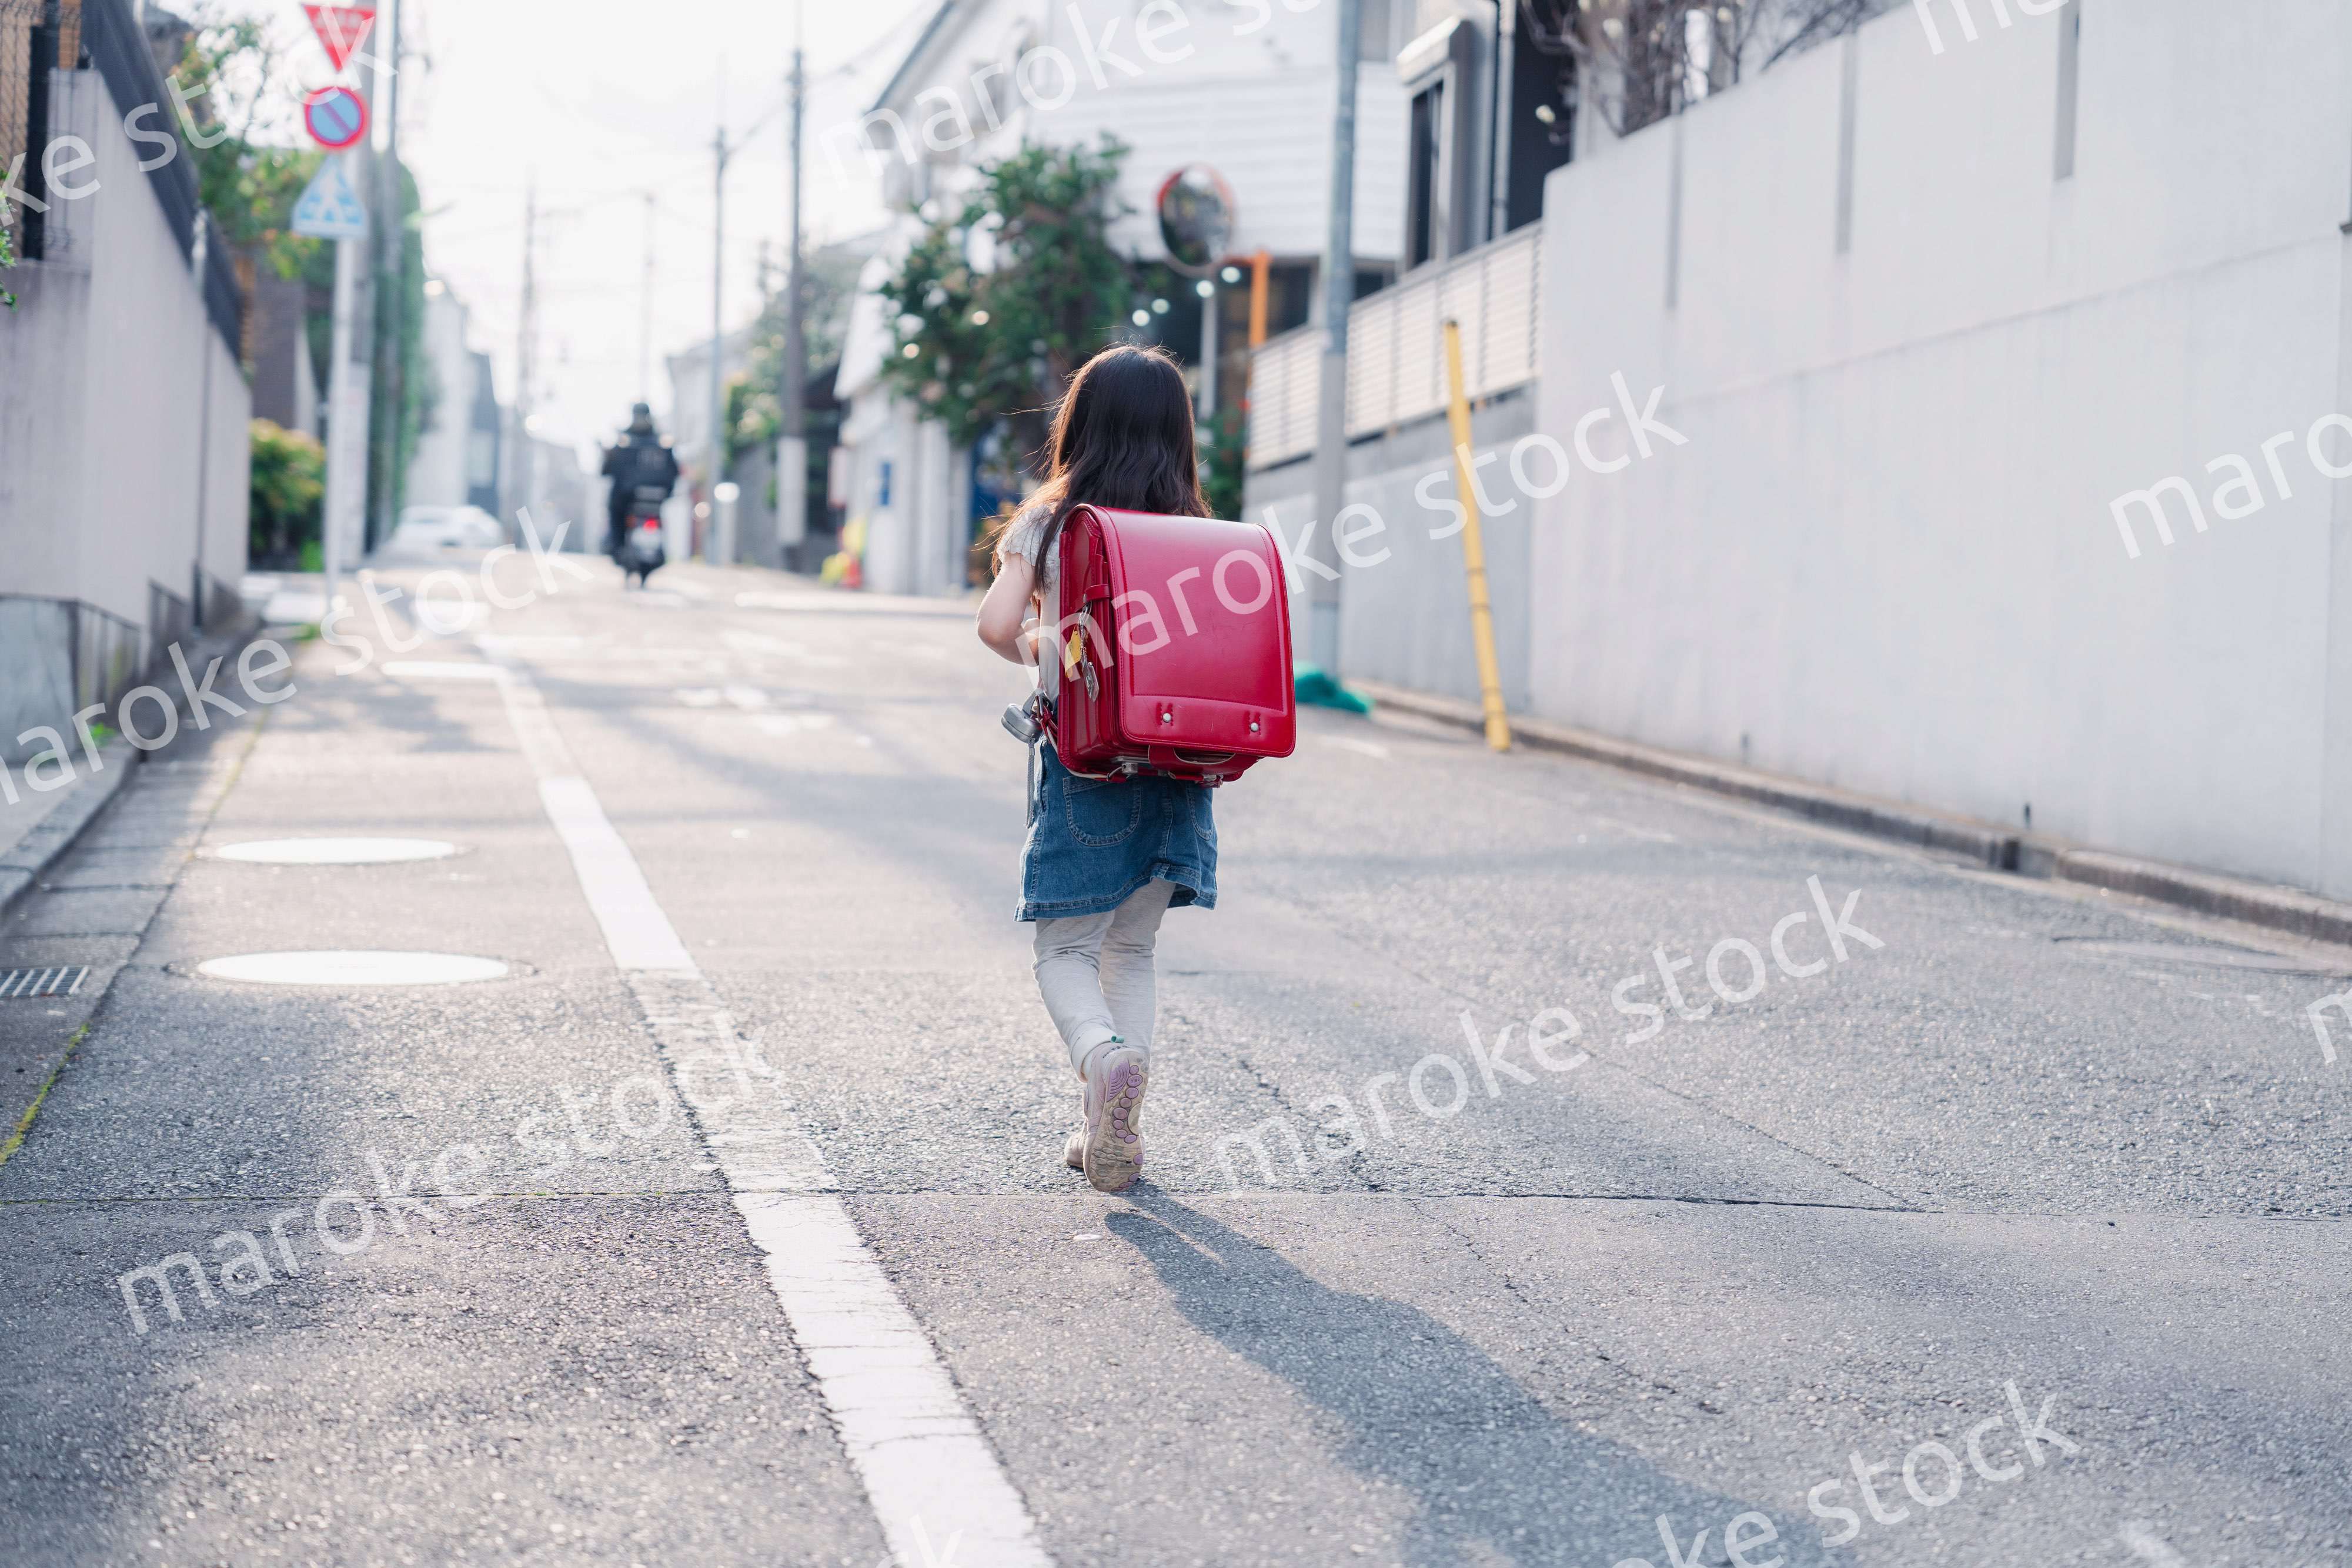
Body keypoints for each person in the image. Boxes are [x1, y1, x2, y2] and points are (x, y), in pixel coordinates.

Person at [975, 345, 1219, 1195]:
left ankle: (1101, 1059)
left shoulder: (1050, 522)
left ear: (1077, 426)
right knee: (1135, 947)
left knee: (1065, 947)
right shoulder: (1200, 533)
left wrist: (1045, 646)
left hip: (1088, 769)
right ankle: (1110, 1119)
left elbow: (996, 625)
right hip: (1184, 769)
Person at [601, 403, 680, 560]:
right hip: (656, 496)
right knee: (618, 511)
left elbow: (607, 470)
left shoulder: (626, 439)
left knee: (615, 512)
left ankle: (617, 547)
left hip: (627, 497)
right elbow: (674, 471)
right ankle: (619, 548)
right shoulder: (659, 440)